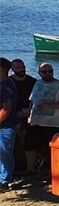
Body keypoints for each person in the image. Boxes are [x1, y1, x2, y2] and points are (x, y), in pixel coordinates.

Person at [23, 63, 59, 176]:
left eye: (50, 71)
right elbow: (32, 100)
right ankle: (30, 169)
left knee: (50, 148)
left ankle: (52, 172)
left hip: (53, 124)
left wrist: (50, 106)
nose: (48, 74)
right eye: (44, 72)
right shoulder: (37, 83)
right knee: (29, 146)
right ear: (39, 73)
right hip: (36, 121)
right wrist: (29, 115)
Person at [10, 59, 36, 169]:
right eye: (18, 68)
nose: (21, 70)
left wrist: (29, 112)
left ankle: (27, 164)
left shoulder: (32, 81)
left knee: (27, 139)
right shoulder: (9, 82)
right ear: (12, 69)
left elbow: (35, 99)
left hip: (29, 113)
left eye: (22, 67)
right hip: (13, 114)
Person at [0, 58, 20, 191]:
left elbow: (6, 108)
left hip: (7, 125)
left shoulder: (6, 86)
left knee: (5, 153)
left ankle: (4, 180)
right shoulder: (5, 84)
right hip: (7, 124)